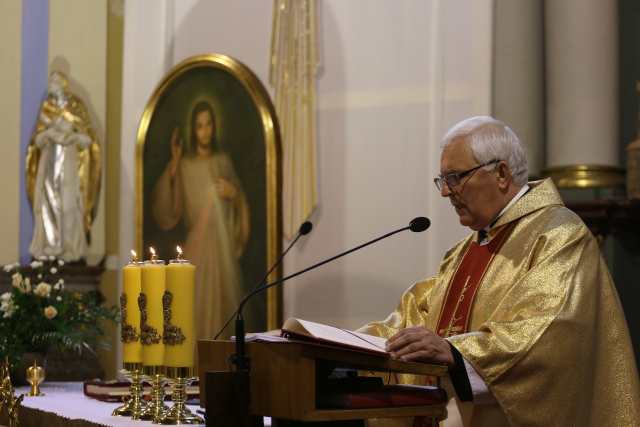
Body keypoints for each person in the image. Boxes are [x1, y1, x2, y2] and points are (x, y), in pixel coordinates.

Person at [361, 116, 640, 426]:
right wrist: (338, 345)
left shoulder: (559, 235)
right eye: (443, 180)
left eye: (455, 177)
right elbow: (415, 316)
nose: (446, 192)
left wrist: (455, 355)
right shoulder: (464, 252)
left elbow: (548, 332)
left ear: (502, 174)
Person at [152, 100, 250, 340]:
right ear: (193, 130)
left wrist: (233, 193)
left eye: (208, 124)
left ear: (214, 127)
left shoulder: (222, 161)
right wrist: (174, 165)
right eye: (199, 126)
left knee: (221, 308)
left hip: (220, 251)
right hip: (196, 247)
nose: (205, 130)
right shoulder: (184, 165)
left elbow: (238, 201)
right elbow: (169, 212)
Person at [26, 71, 101, 262]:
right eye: (50, 81)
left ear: (63, 84)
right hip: (49, 166)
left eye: (54, 81)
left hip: (69, 166)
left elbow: (88, 139)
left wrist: (73, 137)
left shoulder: (76, 106)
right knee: (49, 204)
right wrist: (49, 134)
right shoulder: (47, 108)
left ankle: (70, 248)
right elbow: (37, 141)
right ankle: (51, 246)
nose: (51, 84)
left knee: (69, 206)